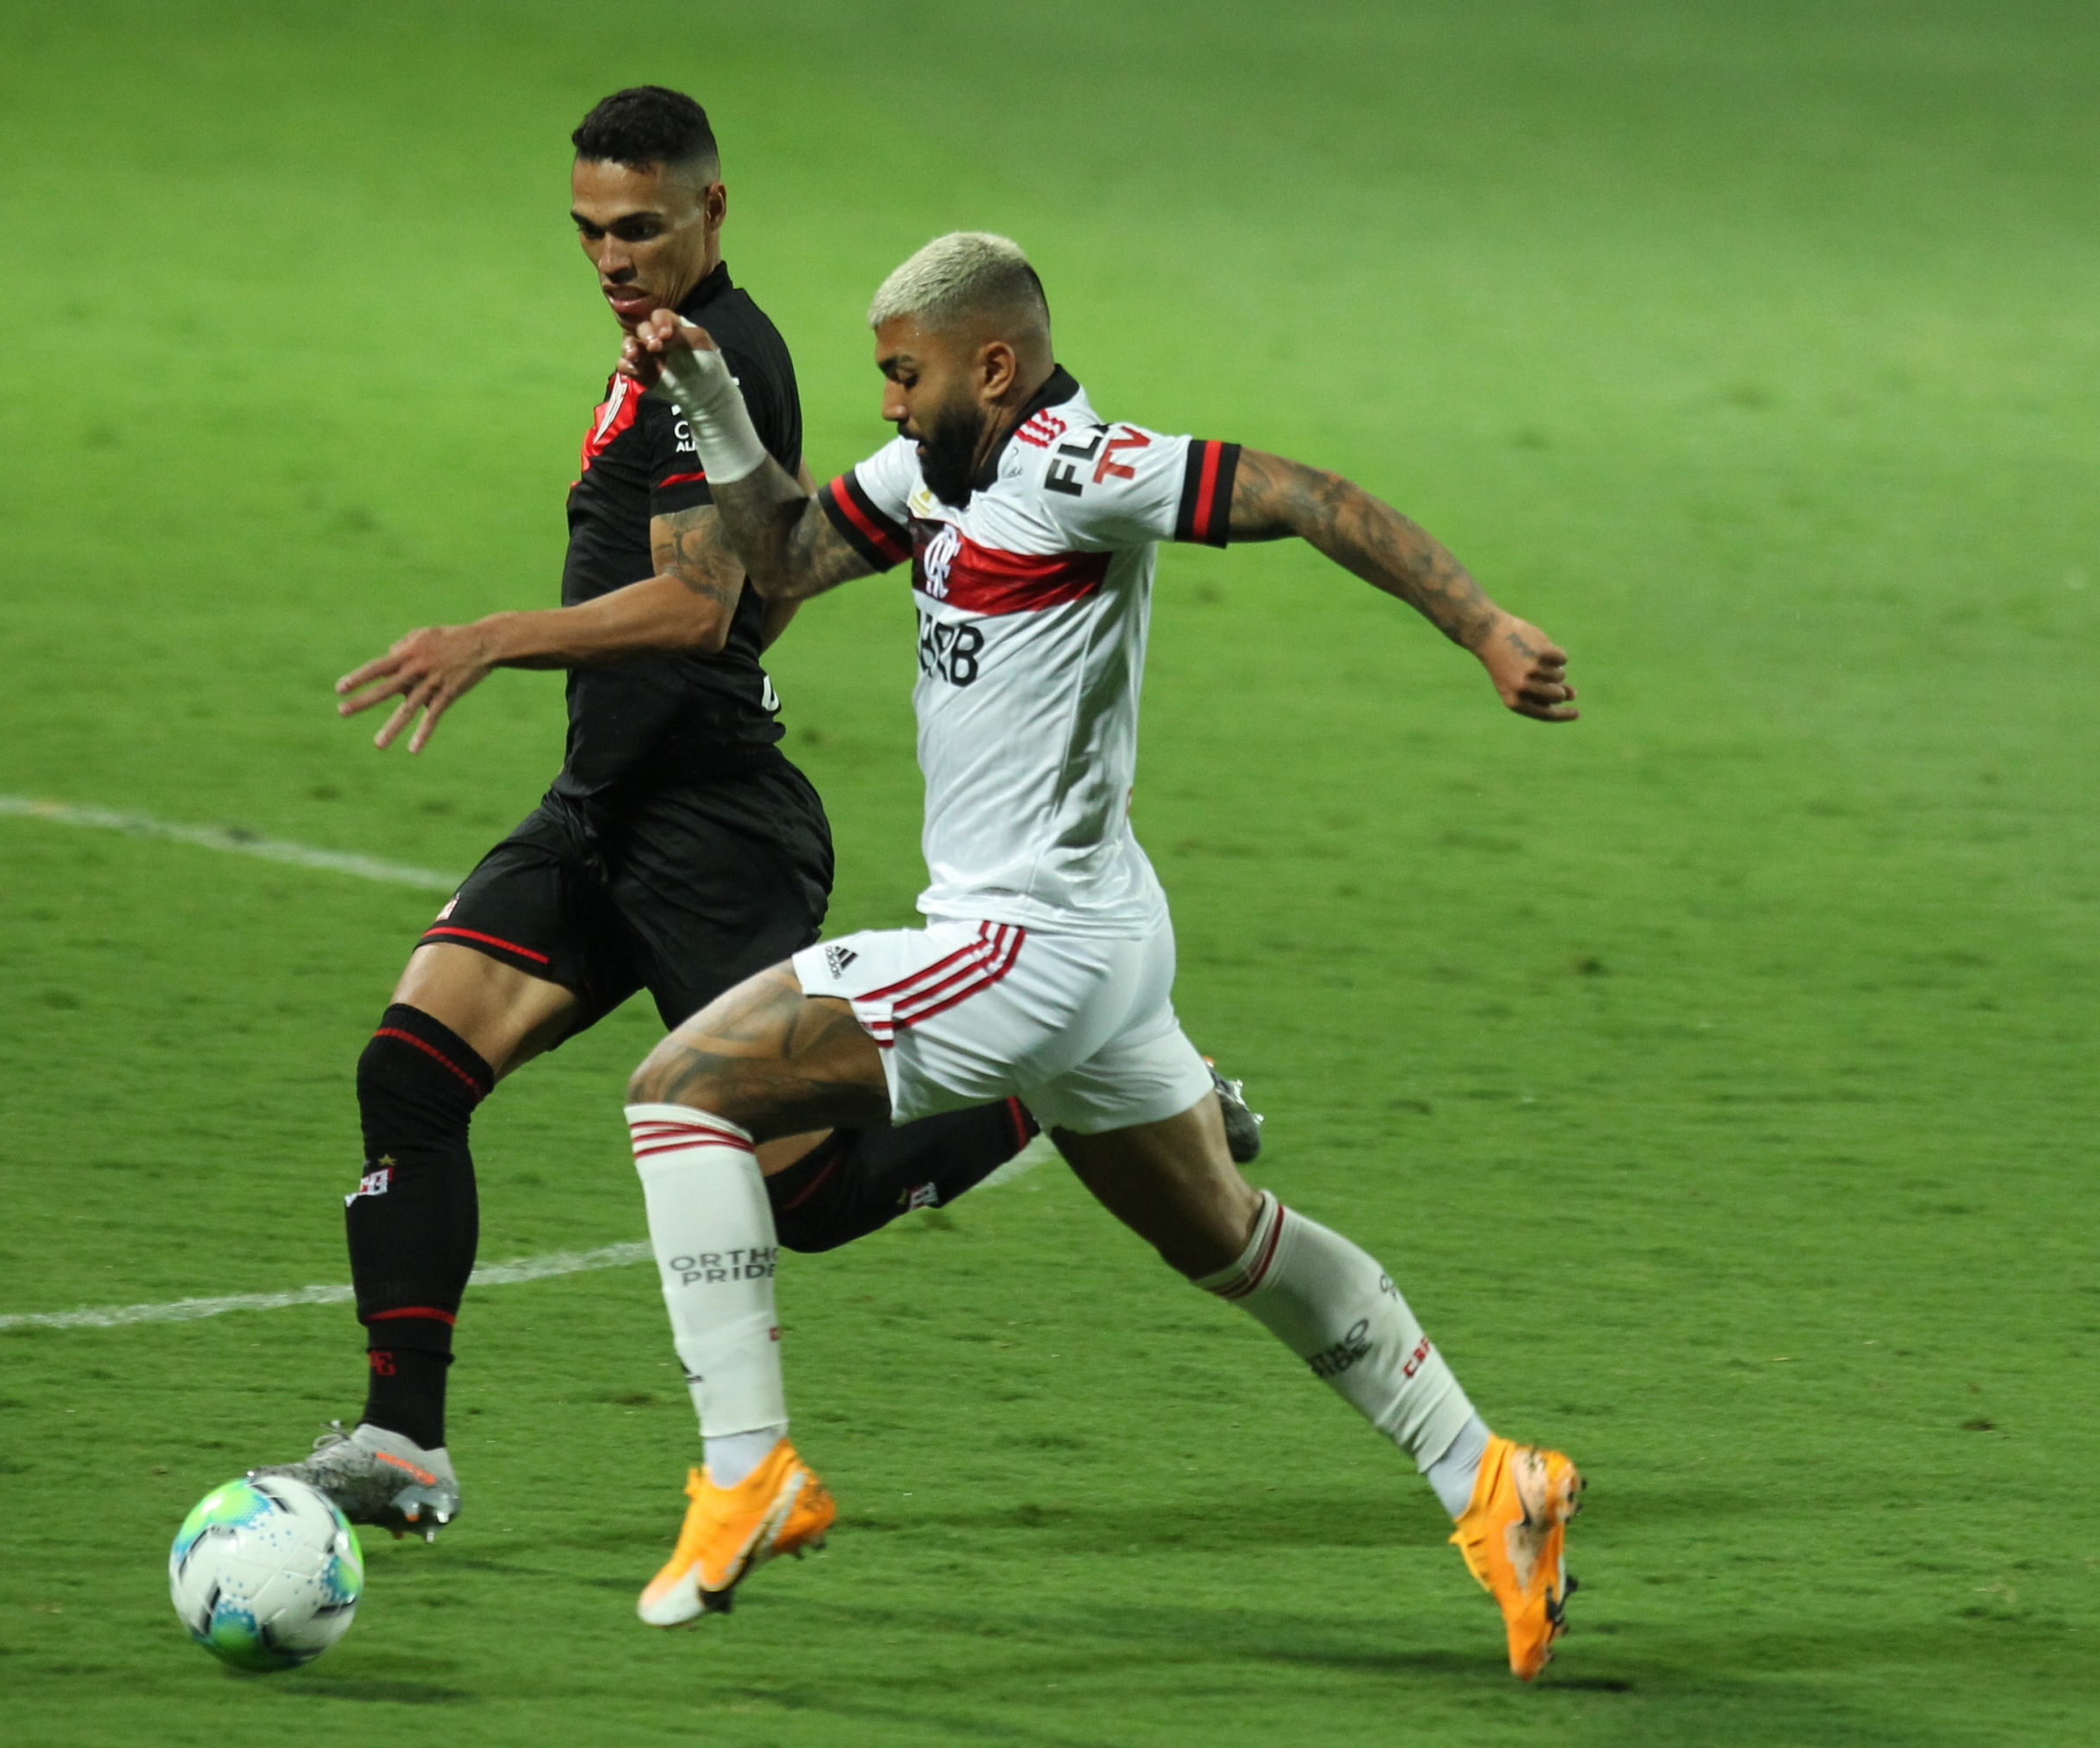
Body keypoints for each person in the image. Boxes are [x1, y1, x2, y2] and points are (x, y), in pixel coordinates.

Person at [253, 95, 1260, 1543]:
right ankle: (404, 1445)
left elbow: (701, 604)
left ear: (713, 213)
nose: (612, 255)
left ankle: (1074, 1076)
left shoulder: (737, 359)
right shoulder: (649, 353)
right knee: (409, 1070)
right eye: (591, 229)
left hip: (712, 822)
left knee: (813, 1194)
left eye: (642, 227)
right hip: (605, 805)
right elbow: (778, 577)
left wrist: (491, 636)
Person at [612, 232, 1585, 1680]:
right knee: (1226, 1236)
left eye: (904, 372)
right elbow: (785, 561)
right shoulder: (938, 473)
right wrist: (715, 410)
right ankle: (1489, 1479)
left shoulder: (1084, 467)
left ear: (990, 365)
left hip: (1024, 946)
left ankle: (747, 1469)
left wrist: (1486, 626)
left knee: (683, 1091)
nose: (886, 402)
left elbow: (1307, 497)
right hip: (1107, 936)